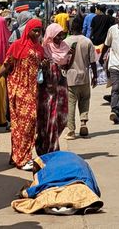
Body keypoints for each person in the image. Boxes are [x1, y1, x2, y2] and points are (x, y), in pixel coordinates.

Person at [0, 18, 43, 171]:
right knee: (26, 123)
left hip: (32, 89)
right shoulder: (17, 46)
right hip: (19, 89)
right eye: (35, 30)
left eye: (39, 30)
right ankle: (23, 159)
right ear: (28, 30)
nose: (37, 33)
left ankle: (17, 155)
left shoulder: (39, 48)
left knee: (25, 125)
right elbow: (6, 65)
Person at [38, 24, 70, 156]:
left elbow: (67, 66)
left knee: (61, 118)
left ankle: (51, 145)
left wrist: (71, 56)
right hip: (47, 89)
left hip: (61, 86)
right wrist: (44, 66)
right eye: (58, 35)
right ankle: (50, 148)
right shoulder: (44, 48)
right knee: (48, 118)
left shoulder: (65, 47)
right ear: (51, 35)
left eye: (62, 35)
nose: (60, 38)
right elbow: (38, 68)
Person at [64, 17, 96, 139]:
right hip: (84, 76)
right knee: (85, 100)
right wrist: (95, 76)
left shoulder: (66, 42)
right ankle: (83, 123)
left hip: (70, 78)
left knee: (71, 104)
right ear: (82, 27)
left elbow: (62, 61)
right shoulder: (87, 42)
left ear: (71, 28)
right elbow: (93, 61)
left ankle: (71, 130)